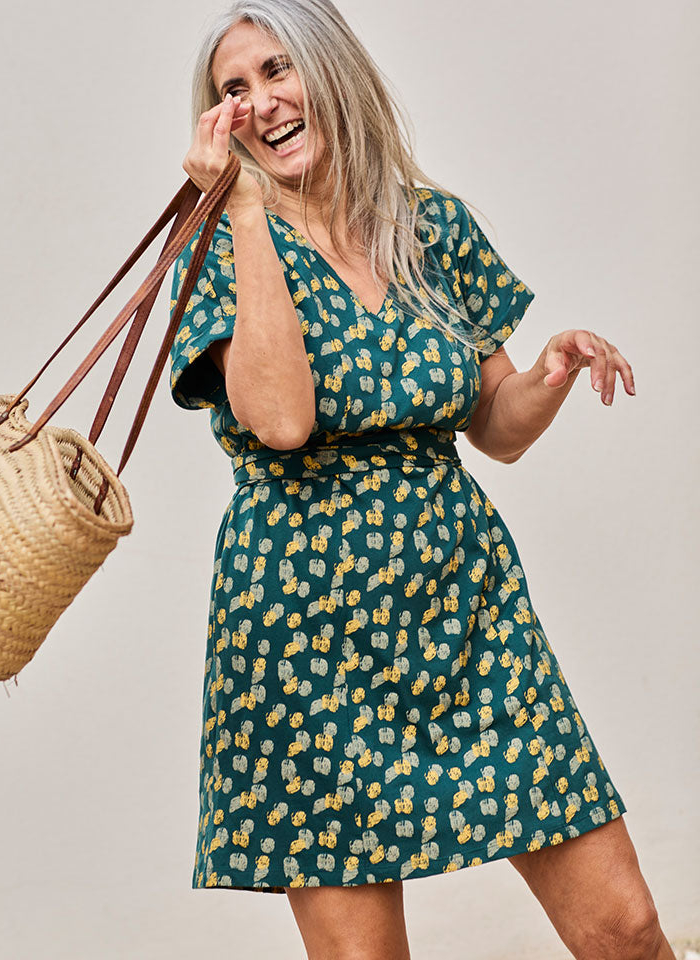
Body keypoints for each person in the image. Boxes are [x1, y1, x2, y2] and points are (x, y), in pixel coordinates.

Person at [167, 1, 675, 957]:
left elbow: (496, 429)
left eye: (278, 71)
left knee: (627, 927)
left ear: (332, 73)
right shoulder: (218, 248)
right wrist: (239, 210)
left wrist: (548, 372)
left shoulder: (429, 226)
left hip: (463, 607)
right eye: (233, 90)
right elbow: (281, 422)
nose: (261, 103)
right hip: (304, 636)